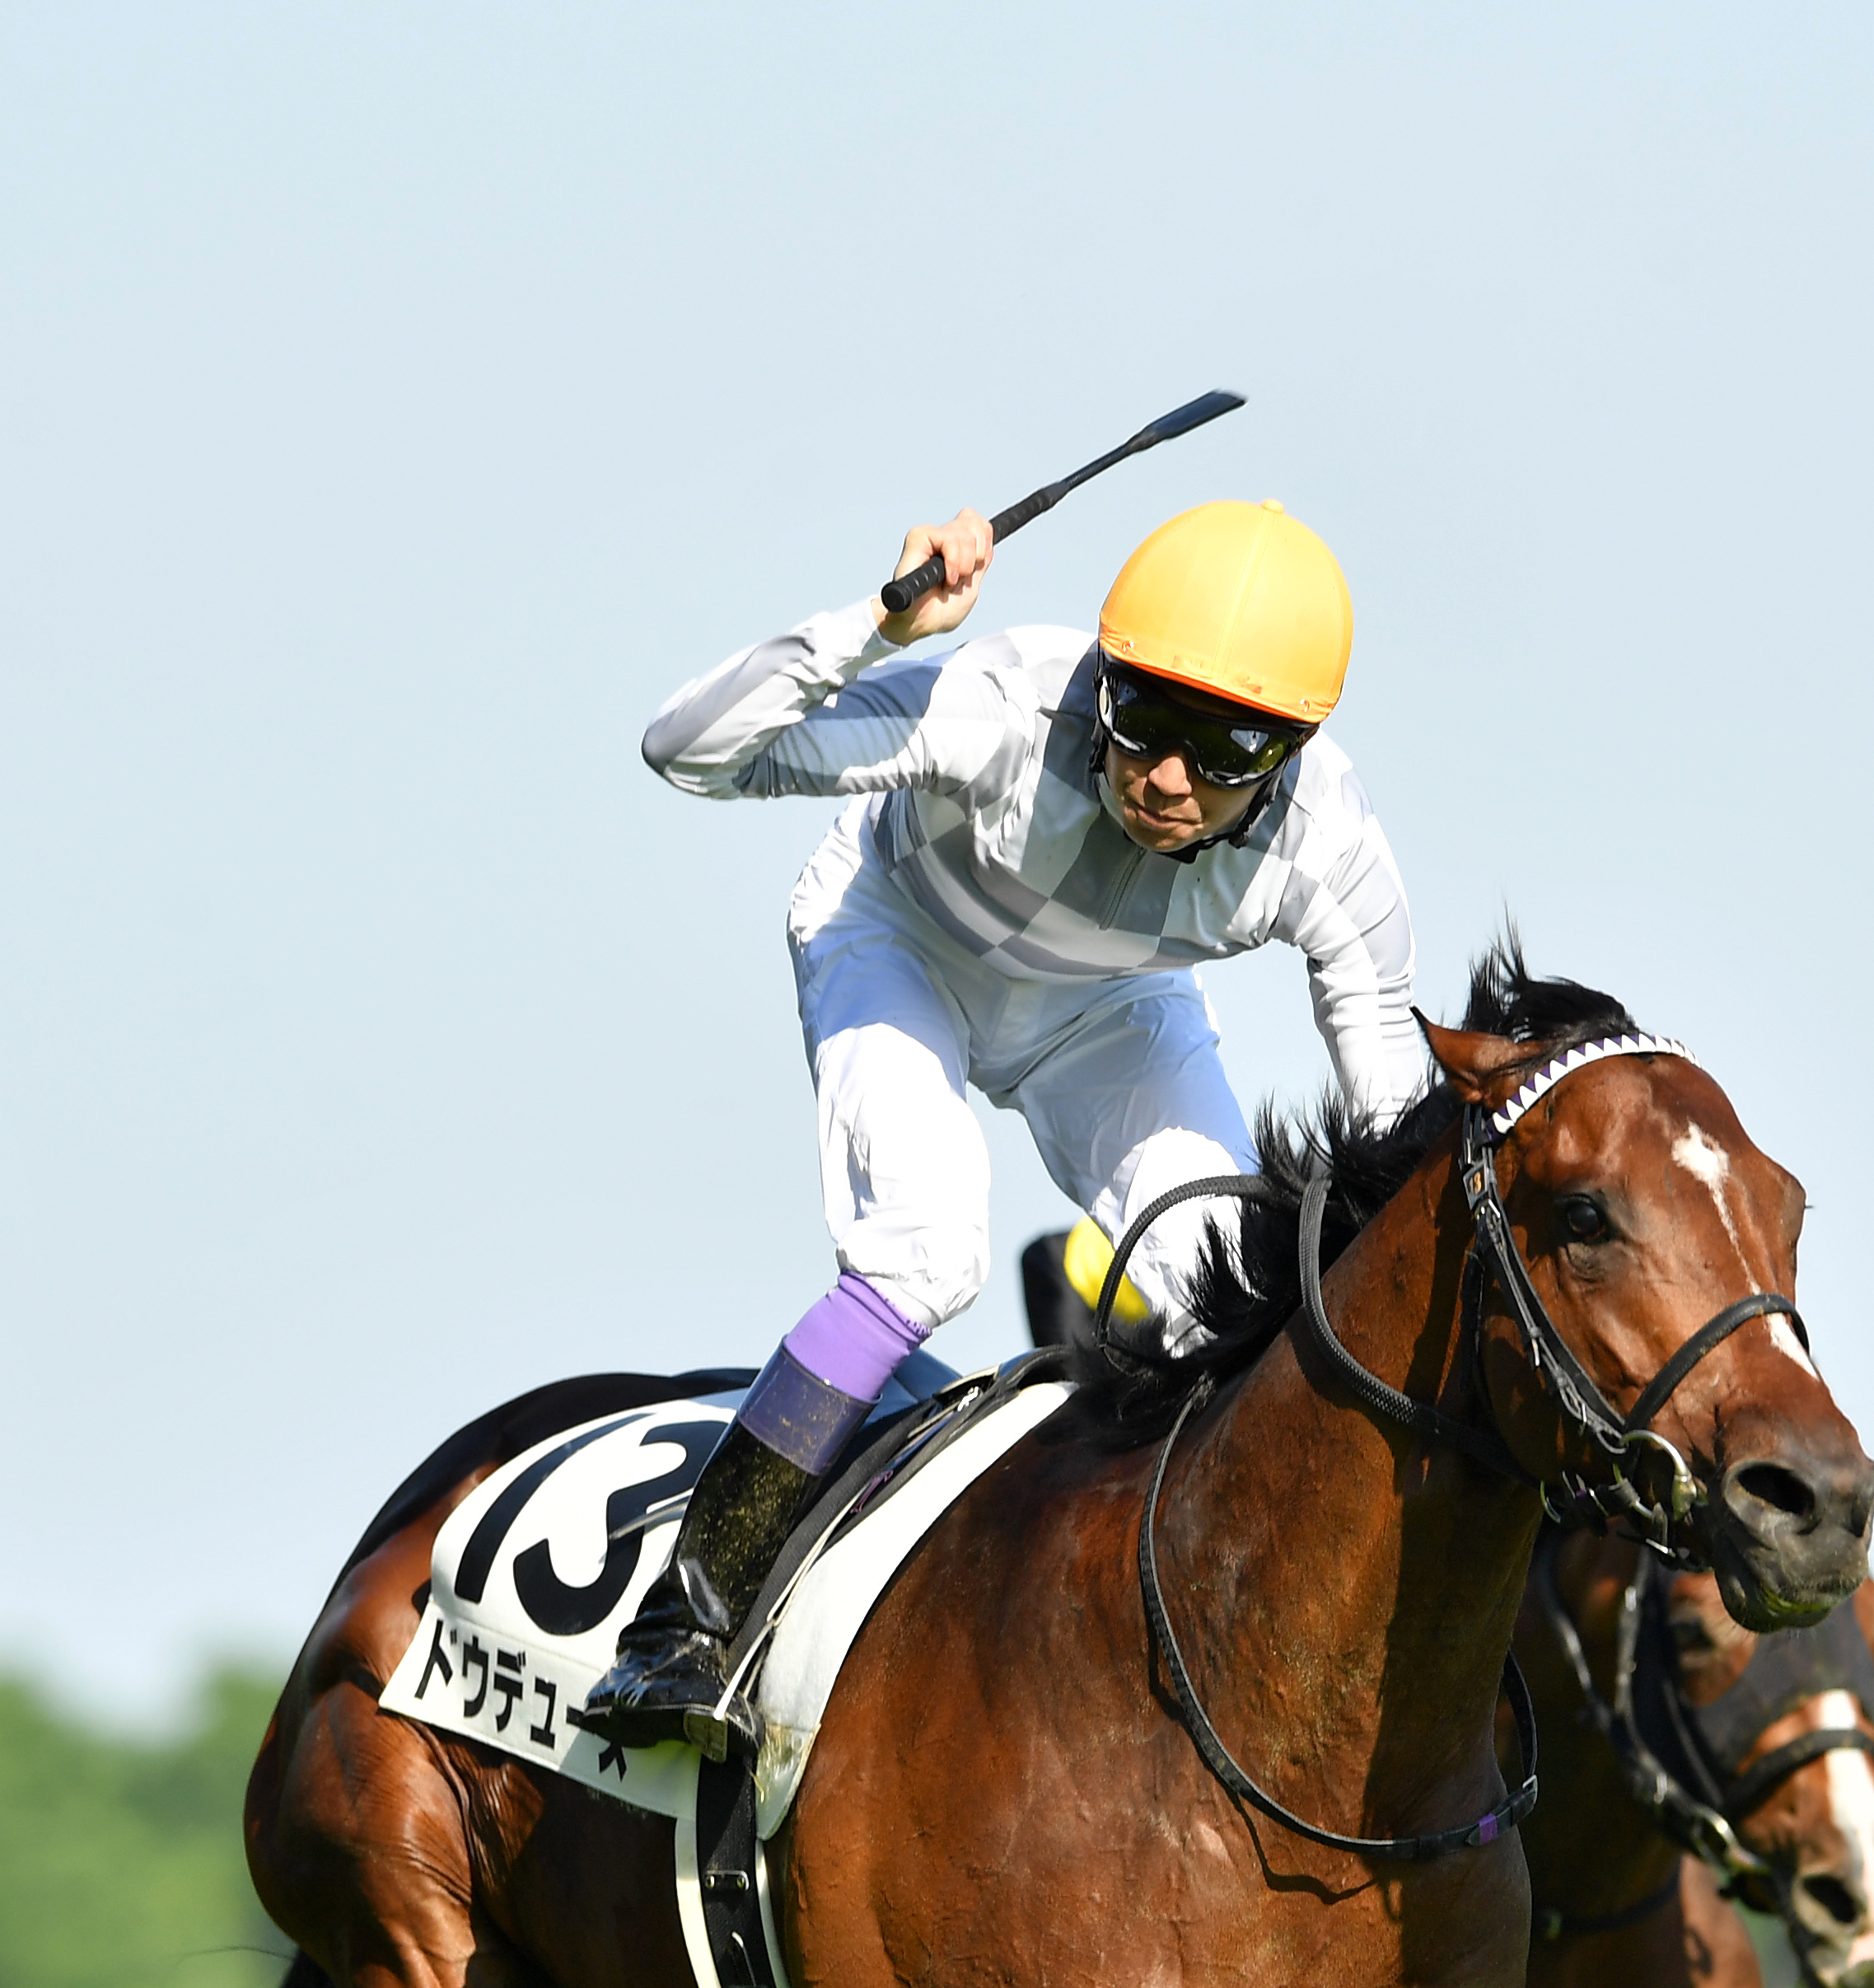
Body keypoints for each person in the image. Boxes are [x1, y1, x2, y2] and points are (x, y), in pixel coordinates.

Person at [586, 498, 1424, 1747]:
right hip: (898, 941)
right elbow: (685, 751)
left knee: (1233, 1293)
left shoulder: (1330, 846)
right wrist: (876, 625)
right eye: (1142, 719)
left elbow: (1397, 1123)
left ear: (1293, 752)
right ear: (1104, 679)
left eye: (1226, 751)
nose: (1168, 779)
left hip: (1108, 1007)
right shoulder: (1004, 703)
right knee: (924, 1253)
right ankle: (686, 1624)